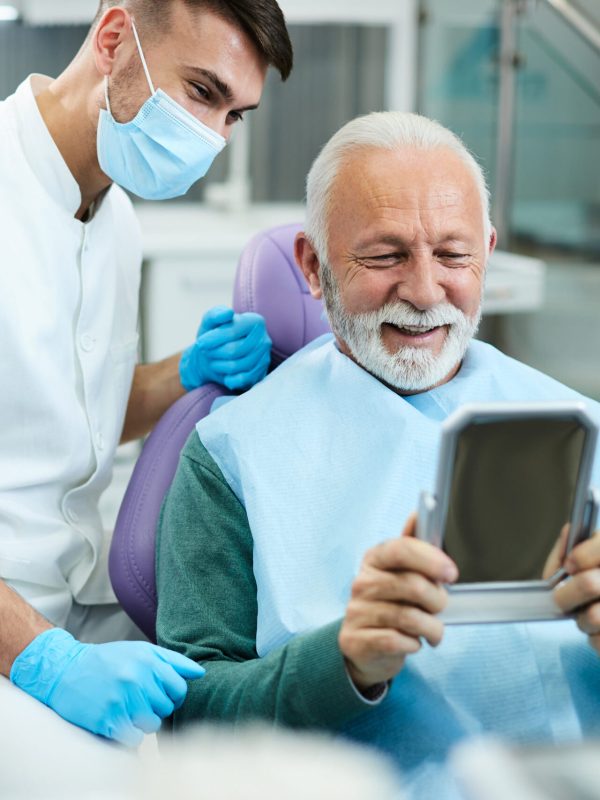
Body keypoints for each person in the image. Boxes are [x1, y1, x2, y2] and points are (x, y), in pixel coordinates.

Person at [156, 112, 600, 796]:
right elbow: (190, 716)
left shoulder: (578, 429)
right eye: (386, 256)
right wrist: (341, 662)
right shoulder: (230, 454)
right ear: (313, 265)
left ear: (487, 250)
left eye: (452, 256)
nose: (424, 292)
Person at [0, 0, 293, 746]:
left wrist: (183, 374)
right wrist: (42, 659)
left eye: (235, 115)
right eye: (202, 92)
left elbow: (65, 415)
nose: (213, 138)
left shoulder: (114, 218)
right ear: (112, 39)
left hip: (77, 602)